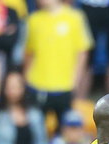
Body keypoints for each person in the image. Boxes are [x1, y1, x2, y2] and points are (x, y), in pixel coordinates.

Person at [23, 0, 93, 130]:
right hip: (37, 86)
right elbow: (29, 53)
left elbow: (82, 52)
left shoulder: (75, 17)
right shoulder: (33, 20)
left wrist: (76, 80)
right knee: (37, 132)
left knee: (65, 132)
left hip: (65, 85)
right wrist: (26, 78)